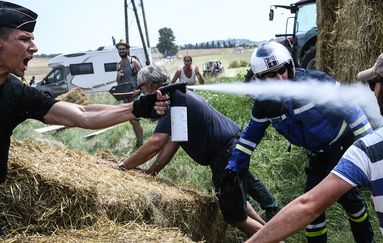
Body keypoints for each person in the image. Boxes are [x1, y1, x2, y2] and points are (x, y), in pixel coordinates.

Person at [0, 2, 168, 235]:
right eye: (24, 39)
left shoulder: (17, 93)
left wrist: (138, 108)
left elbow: (83, 114)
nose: (34, 47)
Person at [246, 47, 383, 242]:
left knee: (351, 201)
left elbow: (308, 206)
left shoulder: (370, 148)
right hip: (321, 155)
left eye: (371, 85)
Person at [225, 41, 374, 242]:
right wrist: (233, 166)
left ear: (290, 66)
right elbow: (249, 138)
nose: (279, 79)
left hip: (342, 144)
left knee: (347, 197)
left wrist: (373, 151)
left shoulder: (315, 82)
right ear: (260, 79)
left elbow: (353, 112)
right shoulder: (265, 105)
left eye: (282, 71)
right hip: (317, 154)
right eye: (270, 75)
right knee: (312, 209)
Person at [103, 64, 276, 235]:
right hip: (231, 148)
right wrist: (152, 171)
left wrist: (123, 167)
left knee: (235, 217)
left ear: (148, 86)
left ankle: (274, 239)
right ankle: (273, 233)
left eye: (142, 90)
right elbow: (175, 141)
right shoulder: (177, 95)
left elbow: (156, 143)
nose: (142, 94)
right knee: (238, 201)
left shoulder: (172, 101)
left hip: (225, 153)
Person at [116, 39, 145, 148]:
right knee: (132, 121)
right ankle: (140, 141)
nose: (122, 51)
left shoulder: (134, 62)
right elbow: (118, 82)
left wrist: (139, 91)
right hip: (126, 96)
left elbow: (144, 77)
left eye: (123, 49)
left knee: (134, 119)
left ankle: (141, 142)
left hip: (136, 94)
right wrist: (119, 77)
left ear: (127, 50)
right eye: (120, 49)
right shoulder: (118, 65)